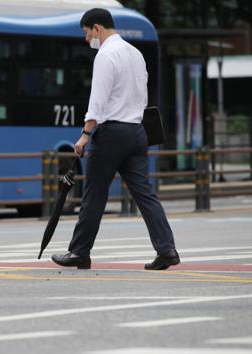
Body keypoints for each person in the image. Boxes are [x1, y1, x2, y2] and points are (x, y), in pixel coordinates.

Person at [51, 8, 180, 271]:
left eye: (87, 34)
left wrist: (86, 134)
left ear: (97, 28)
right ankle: (167, 250)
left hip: (111, 134)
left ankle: (79, 252)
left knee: (94, 194)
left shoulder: (105, 55)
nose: (87, 40)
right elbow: (141, 96)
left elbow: (97, 99)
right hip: (137, 131)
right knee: (145, 194)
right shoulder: (136, 54)